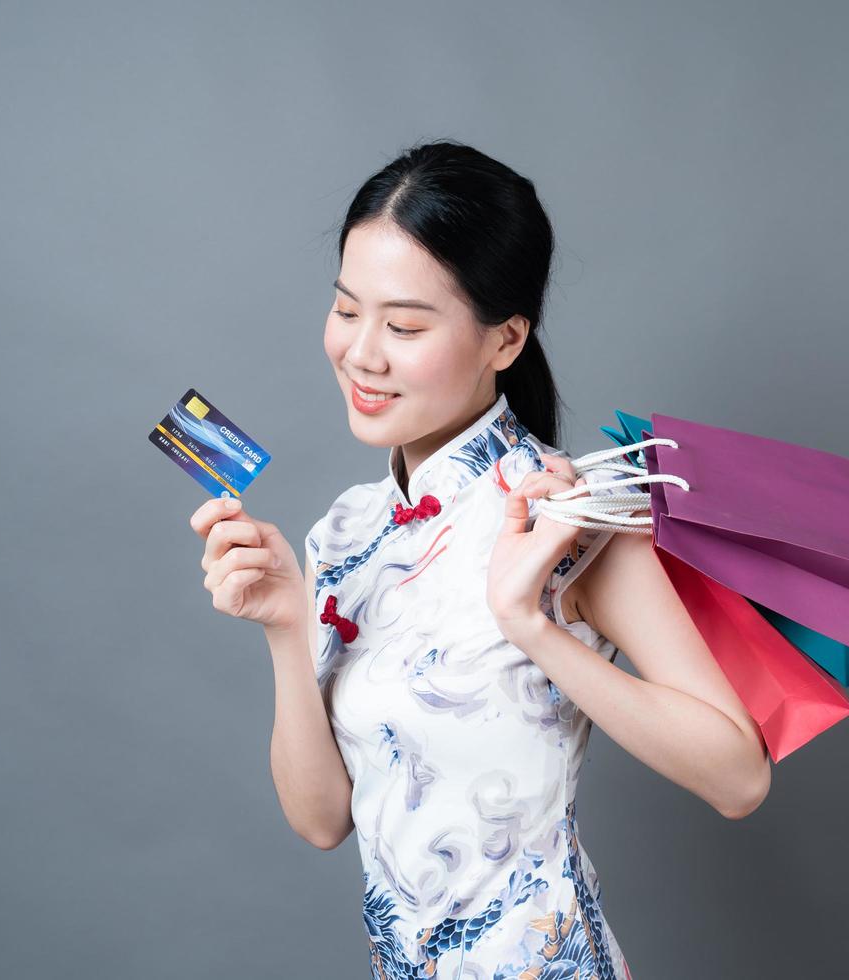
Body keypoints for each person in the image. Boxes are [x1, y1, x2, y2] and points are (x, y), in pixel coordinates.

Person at [190, 139, 771, 979]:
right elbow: (321, 821)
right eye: (348, 310)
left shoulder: (563, 520)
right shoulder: (346, 534)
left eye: (404, 325)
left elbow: (738, 777)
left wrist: (530, 626)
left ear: (505, 340)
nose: (362, 353)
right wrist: (285, 622)